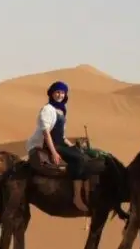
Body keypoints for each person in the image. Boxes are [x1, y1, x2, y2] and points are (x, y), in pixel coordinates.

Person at [24, 81, 91, 211]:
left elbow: (62, 135)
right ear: (52, 93)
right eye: (57, 92)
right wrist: (54, 153)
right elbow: (46, 133)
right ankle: (77, 198)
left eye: (62, 92)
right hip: (48, 144)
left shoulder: (61, 111)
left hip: (59, 143)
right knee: (79, 159)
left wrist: (72, 146)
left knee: (84, 155)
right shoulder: (47, 110)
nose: (60, 95)